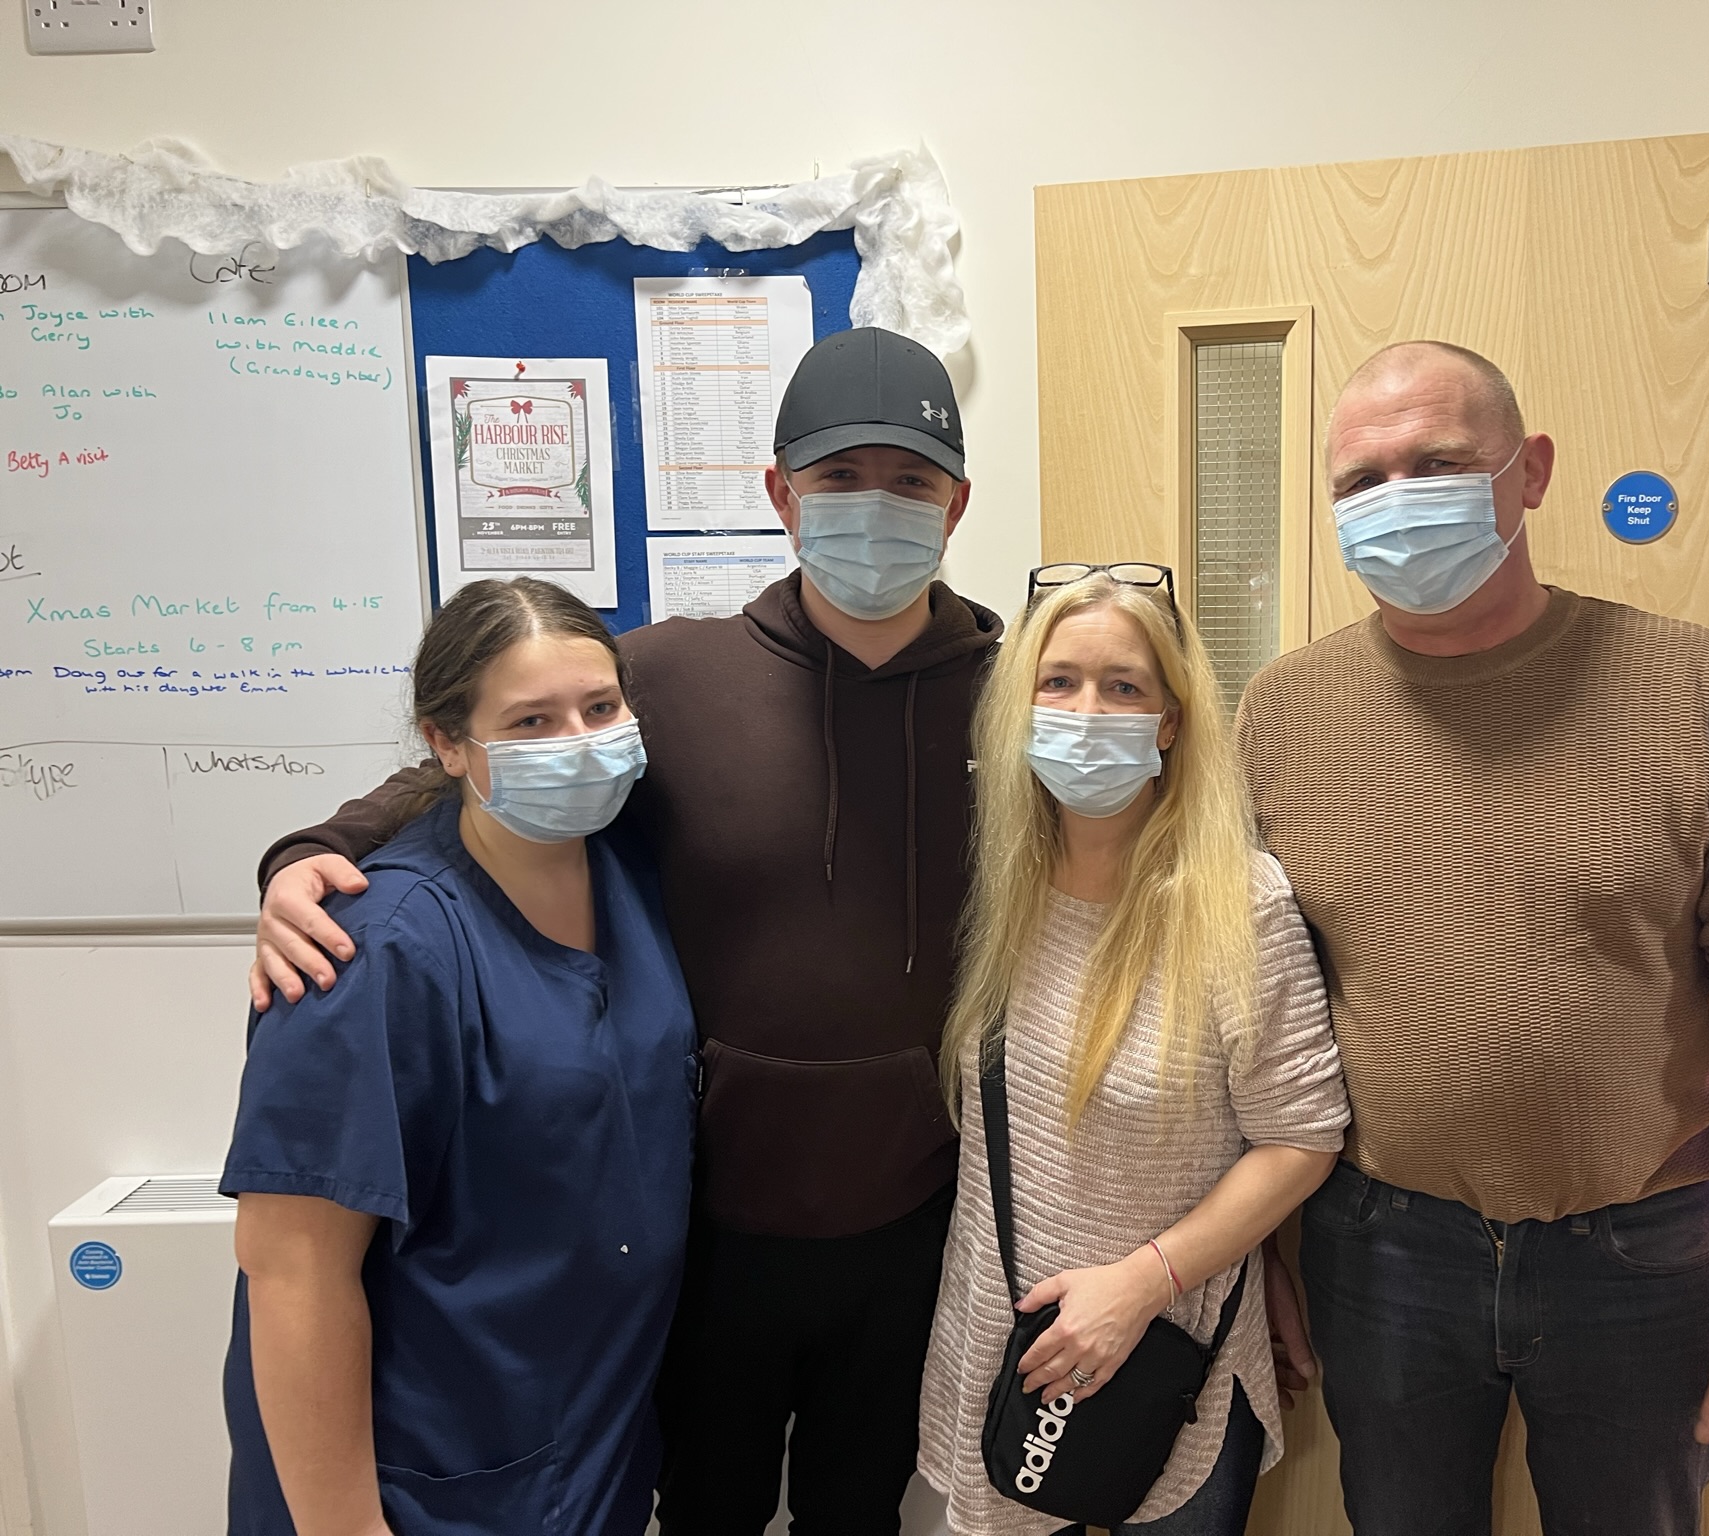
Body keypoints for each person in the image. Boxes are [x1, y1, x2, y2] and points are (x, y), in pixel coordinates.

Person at [243, 327, 1002, 1534]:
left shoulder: (1014, 697)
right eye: (839, 477)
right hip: (707, 1228)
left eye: (909, 480)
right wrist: (306, 854)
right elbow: (482, 741)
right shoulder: (664, 677)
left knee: (865, 1510)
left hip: (917, 1212)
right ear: (779, 493)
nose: (875, 506)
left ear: (954, 503)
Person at [1237, 341, 1709, 1536]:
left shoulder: (1685, 685)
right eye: (1359, 481)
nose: (1394, 500)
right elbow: (1247, 1013)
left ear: (1529, 470)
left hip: (1639, 1253)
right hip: (1377, 1247)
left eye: (1435, 463)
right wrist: (1249, 1251)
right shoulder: (1282, 713)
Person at [222, 577, 696, 1536]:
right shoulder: (373, 947)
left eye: (600, 708)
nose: (579, 742)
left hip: (587, 1442)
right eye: (530, 721)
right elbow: (292, 1268)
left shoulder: (629, 873)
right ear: (446, 744)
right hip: (431, 1472)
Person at [918, 565, 1349, 1536]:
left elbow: (1302, 1139)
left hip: (1167, 1354)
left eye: (1123, 686)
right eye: (1059, 682)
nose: (1086, 711)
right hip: (1003, 1342)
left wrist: (1140, 1284)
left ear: (1168, 722)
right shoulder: (1002, 886)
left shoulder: (1240, 904)